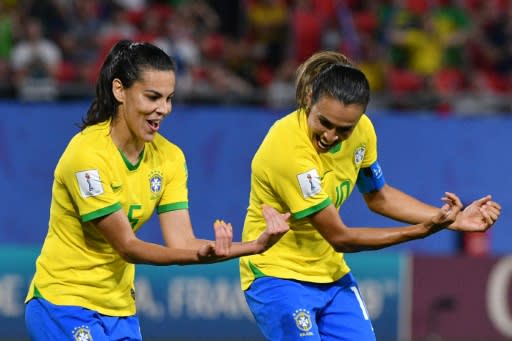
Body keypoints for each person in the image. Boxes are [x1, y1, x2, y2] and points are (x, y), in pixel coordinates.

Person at [24, 40, 290, 341]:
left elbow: (183, 241)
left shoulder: (170, 158)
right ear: (119, 90)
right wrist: (197, 256)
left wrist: (254, 245)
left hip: (119, 310)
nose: (163, 109)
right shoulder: (86, 156)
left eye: (168, 98)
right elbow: (128, 245)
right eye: (153, 97)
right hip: (61, 305)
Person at [239, 51, 501, 341]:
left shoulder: (363, 132)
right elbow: (340, 237)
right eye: (324, 123)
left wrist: (454, 220)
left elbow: (379, 197)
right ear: (309, 97)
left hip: (330, 274)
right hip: (277, 276)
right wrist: (421, 231)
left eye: (344, 129)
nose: (330, 136)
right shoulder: (288, 150)